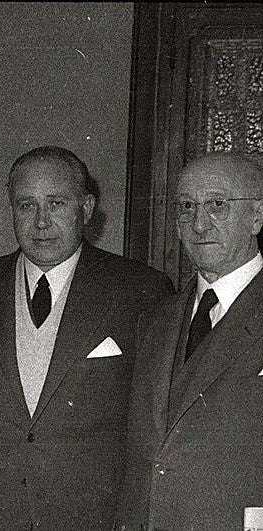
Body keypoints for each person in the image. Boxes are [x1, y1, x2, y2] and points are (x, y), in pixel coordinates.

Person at [0, 145, 174, 530]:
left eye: (56, 204)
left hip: (91, 516)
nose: (41, 222)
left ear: (86, 208)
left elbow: (152, 420)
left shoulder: (140, 291)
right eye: (26, 206)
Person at [117, 152, 263, 529]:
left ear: (257, 216)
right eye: (186, 207)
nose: (199, 224)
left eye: (217, 204)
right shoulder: (155, 318)